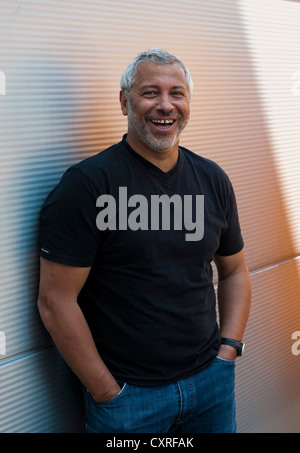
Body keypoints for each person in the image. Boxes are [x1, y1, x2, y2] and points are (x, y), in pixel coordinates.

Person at [37, 48, 252, 433]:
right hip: (129, 400)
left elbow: (235, 270)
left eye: (177, 93)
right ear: (125, 102)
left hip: (210, 384)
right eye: (150, 92)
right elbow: (55, 301)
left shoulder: (212, 179)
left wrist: (228, 352)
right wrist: (107, 391)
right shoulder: (88, 185)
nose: (165, 105)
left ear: (188, 102)